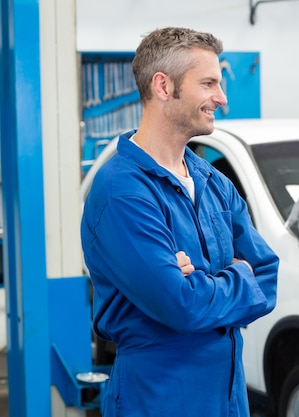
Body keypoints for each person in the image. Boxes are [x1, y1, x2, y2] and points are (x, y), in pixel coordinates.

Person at [81, 27, 279, 417]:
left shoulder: (213, 182)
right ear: (163, 86)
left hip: (227, 396)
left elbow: (268, 275)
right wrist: (237, 275)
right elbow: (180, 305)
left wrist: (199, 281)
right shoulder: (122, 191)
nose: (221, 98)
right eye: (208, 83)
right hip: (160, 394)